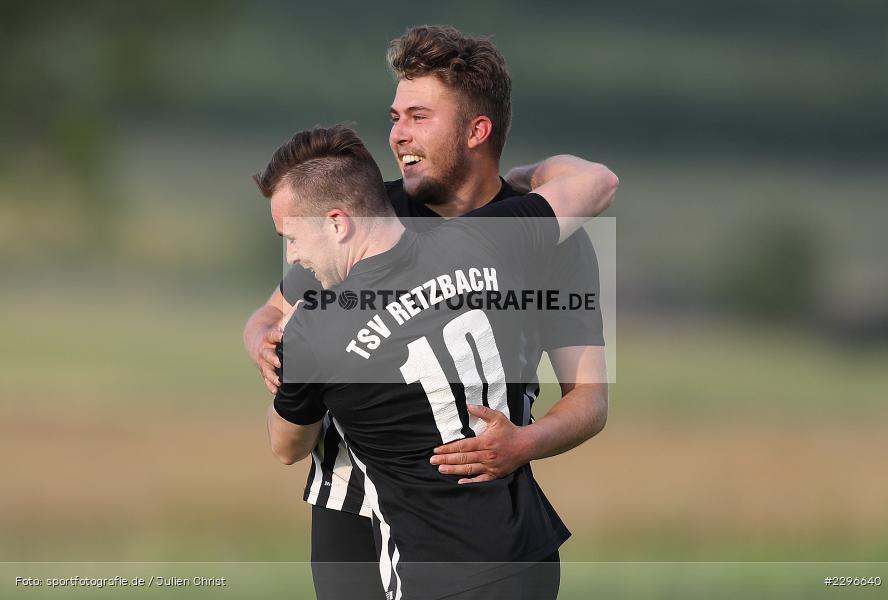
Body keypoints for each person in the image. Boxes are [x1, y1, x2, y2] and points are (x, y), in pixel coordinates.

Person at [242, 25, 617, 599]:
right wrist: (263, 341)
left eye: (418, 116)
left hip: (472, 516)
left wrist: (525, 442)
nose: (397, 134)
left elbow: (589, 398)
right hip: (347, 499)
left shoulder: (551, 240)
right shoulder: (369, 212)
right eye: (394, 117)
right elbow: (272, 314)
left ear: (477, 131)